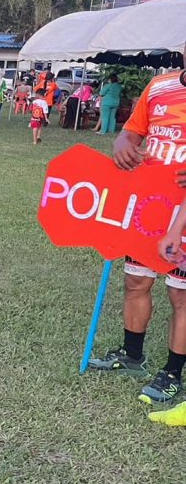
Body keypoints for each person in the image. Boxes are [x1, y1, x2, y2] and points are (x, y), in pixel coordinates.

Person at [88, 71, 186, 406]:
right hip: (148, 208)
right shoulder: (159, 86)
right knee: (136, 281)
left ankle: (172, 374)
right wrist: (122, 143)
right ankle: (132, 356)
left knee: (181, 294)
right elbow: (132, 131)